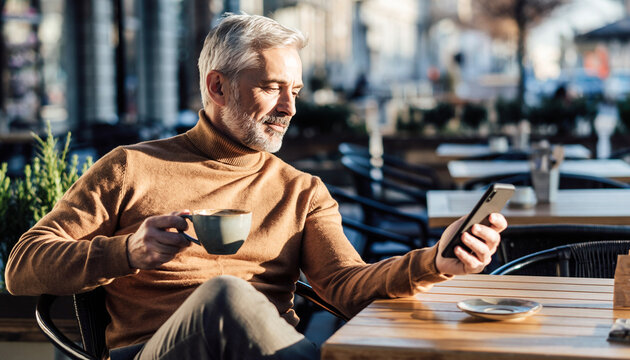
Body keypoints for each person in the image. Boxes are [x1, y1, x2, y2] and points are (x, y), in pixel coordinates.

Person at [5, 14, 507, 360]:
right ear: (218, 87)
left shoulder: (300, 190)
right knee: (225, 297)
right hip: (157, 349)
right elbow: (22, 265)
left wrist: (434, 261)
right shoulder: (131, 167)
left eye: (296, 91)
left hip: (267, 351)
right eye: (271, 87)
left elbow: (346, 286)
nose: (289, 107)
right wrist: (127, 251)